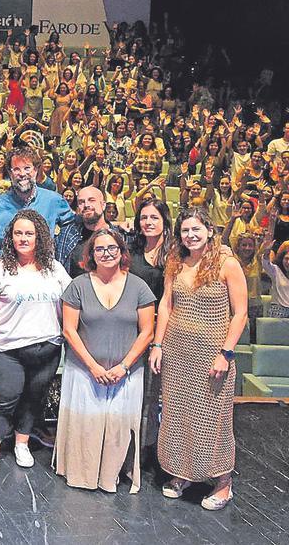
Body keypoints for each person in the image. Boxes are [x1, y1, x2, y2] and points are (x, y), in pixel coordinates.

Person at [152, 207, 248, 510]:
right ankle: (184, 473)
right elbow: (166, 306)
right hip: (178, 353)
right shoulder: (176, 261)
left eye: (196, 229)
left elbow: (241, 313)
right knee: (178, 414)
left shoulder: (227, 263)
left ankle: (223, 482)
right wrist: (158, 345)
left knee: (212, 418)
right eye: (185, 231)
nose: (190, 236)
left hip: (213, 356)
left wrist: (226, 353)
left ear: (208, 229)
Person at [55, 229, 156, 493]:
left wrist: (123, 367)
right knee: (86, 425)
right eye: (99, 249)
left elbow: (147, 331)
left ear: (122, 252)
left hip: (126, 372)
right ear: (91, 255)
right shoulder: (77, 285)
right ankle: (83, 473)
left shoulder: (139, 287)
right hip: (85, 370)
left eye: (112, 248)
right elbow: (69, 330)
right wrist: (93, 367)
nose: (106, 253)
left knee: (118, 427)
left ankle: (110, 475)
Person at [0, 209, 71, 475]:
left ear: (39, 236)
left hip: (48, 348)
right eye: (18, 233)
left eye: (29, 233)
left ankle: (22, 444)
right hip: (8, 349)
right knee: (3, 400)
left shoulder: (55, 268)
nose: (23, 238)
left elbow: (71, 300)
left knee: (33, 399)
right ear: (11, 237)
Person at [128, 198, 173, 465]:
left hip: (167, 334)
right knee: (138, 394)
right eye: (144, 217)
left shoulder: (176, 254)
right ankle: (134, 451)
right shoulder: (132, 251)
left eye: (154, 217)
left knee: (159, 396)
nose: (148, 222)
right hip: (133, 331)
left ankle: (159, 454)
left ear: (164, 222)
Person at [0, 147, 76, 239]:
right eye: (16, 169)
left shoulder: (54, 201)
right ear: (9, 173)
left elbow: (74, 227)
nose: (22, 174)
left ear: (35, 170)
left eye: (27, 168)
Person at [55, 186, 124, 279]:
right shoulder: (67, 234)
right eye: (81, 202)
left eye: (91, 200)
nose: (86, 205)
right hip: (75, 291)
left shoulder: (120, 236)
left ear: (103, 205)